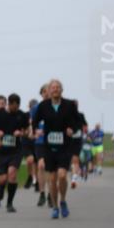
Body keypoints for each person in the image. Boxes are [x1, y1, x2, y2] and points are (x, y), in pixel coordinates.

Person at [31, 79, 81, 219]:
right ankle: (55, 206)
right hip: (48, 146)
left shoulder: (69, 105)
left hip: (65, 146)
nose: (55, 89)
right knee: (52, 179)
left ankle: (63, 200)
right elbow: (34, 121)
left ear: (61, 90)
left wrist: (73, 128)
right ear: (49, 90)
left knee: (62, 175)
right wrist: (36, 131)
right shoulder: (43, 106)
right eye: (52, 87)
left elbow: (78, 121)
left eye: (58, 87)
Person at [0, 93, 27, 213]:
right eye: (13, 107)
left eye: (17, 107)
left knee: (12, 174)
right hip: (1, 150)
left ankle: (10, 203)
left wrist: (21, 133)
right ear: (9, 104)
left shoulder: (21, 115)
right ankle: (0, 189)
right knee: (2, 179)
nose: (15, 109)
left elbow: (27, 131)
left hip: (16, 150)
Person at [31, 85, 49, 207]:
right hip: (40, 142)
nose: (47, 93)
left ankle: (51, 193)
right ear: (41, 94)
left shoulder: (58, 107)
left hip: (55, 142)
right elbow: (32, 124)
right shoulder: (36, 108)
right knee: (41, 165)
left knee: (52, 170)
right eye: (44, 91)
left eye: (49, 91)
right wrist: (35, 131)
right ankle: (42, 193)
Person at [68, 100, 88, 189]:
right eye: (73, 105)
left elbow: (85, 126)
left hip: (77, 140)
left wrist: (84, 131)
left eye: (76, 105)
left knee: (75, 159)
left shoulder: (80, 115)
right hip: (68, 140)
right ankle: (75, 174)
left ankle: (74, 179)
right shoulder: (66, 115)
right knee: (70, 160)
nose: (75, 107)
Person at [21, 98, 39, 189]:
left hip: (37, 142)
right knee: (30, 160)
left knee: (36, 163)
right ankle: (30, 176)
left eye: (35, 106)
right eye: (32, 106)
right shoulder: (25, 115)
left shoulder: (40, 116)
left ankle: (36, 181)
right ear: (29, 107)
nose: (33, 108)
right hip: (26, 141)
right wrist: (26, 132)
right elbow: (21, 129)